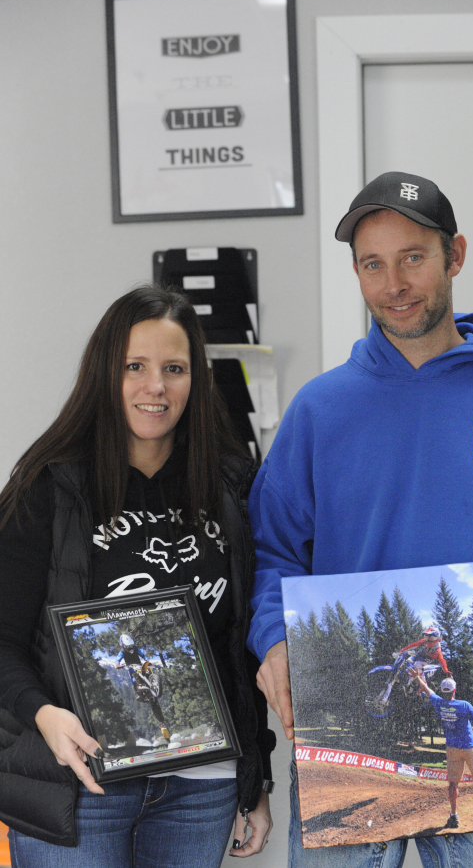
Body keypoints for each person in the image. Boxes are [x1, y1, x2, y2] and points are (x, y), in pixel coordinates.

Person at [246, 171, 473, 867]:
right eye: (371, 264)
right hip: (348, 728)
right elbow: (271, 551)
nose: (393, 283)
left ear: (455, 255)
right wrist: (273, 641)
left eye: (412, 256)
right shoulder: (320, 412)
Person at [0, 285, 275, 867]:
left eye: (174, 368)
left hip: (201, 788)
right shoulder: (49, 488)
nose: (156, 387)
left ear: (195, 380)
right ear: (105, 374)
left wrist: (256, 777)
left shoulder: (234, 488)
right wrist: (45, 716)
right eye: (135, 367)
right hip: (78, 784)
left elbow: (242, 652)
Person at [416, 674, 473, 830]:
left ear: (442, 691)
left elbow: (427, 689)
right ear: (454, 690)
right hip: (470, 747)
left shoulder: (439, 703)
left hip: (452, 748)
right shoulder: (464, 705)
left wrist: (418, 677)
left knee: (453, 784)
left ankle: (453, 816)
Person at [115, 633, 170, 740]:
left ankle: (152, 684)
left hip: (140, 665)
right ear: (123, 645)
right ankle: (139, 692)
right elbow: (118, 659)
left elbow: (142, 654)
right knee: (133, 677)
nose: (130, 648)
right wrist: (117, 664)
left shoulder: (135, 648)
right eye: (128, 646)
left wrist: (145, 658)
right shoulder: (122, 652)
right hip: (131, 667)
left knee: (148, 671)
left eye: (131, 646)